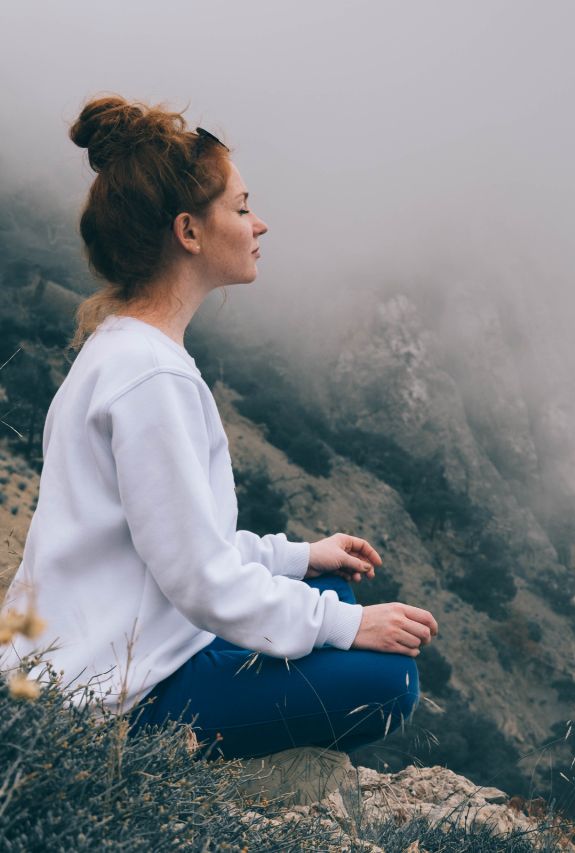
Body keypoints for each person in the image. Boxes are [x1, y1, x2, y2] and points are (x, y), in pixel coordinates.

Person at [0, 94, 438, 760]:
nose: (259, 223)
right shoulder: (153, 379)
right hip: (104, 703)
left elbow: (172, 542)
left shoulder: (123, 350)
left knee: (327, 589)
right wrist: (344, 624)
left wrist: (300, 556)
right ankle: (151, 760)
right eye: (240, 207)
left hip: (89, 662)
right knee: (388, 680)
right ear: (189, 232)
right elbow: (199, 577)